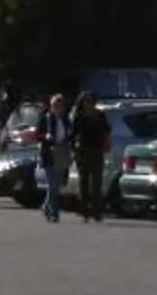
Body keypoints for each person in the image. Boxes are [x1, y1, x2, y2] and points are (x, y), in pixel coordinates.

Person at [70, 92, 112, 223]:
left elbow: (106, 131)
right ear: (81, 102)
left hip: (96, 150)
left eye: (90, 101)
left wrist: (107, 143)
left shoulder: (100, 115)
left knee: (97, 181)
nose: (88, 104)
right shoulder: (78, 116)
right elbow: (73, 134)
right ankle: (84, 211)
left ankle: (97, 211)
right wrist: (72, 149)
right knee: (84, 181)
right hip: (82, 149)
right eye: (85, 101)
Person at [37, 93, 67, 224]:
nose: (57, 108)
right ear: (51, 106)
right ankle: (54, 213)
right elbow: (38, 135)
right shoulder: (46, 118)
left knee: (56, 185)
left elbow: (70, 133)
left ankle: (46, 206)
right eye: (55, 105)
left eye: (60, 105)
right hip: (49, 154)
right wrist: (45, 137)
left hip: (61, 154)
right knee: (52, 185)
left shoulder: (65, 119)